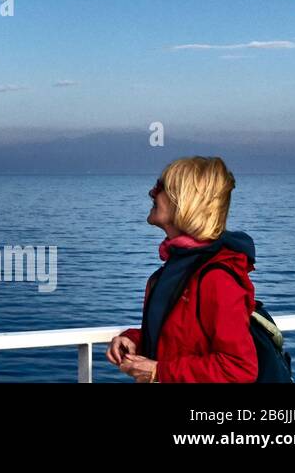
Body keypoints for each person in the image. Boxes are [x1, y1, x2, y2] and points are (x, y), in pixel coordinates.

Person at [107, 156, 258, 382]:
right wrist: (134, 340)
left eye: (161, 187)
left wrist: (160, 372)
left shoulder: (217, 277)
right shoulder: (175, 269)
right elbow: (180, 341)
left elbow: (239, 368)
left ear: (185, 201)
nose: (151, 192)